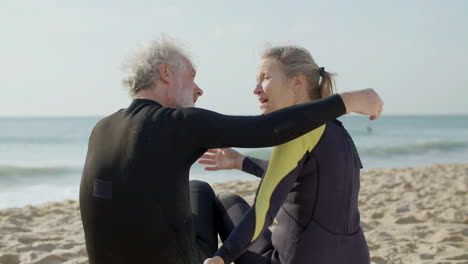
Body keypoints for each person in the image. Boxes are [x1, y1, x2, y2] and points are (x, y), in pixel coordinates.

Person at [79, 36, 383, 264]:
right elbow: (277, 147)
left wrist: (240, 163)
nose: (199, 89)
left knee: (202, 190)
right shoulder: (338, 133)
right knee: (203, 191)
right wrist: (344, 103)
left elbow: (279, 174)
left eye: (264, 78)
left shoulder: (100, 128)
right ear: (166, 74)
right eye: (192, 77)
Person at [200, 46, 372, 264]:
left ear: (296, 83)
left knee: (224, 201)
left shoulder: (296, 132)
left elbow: (263, 211)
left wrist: (221, 258)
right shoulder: (337, 130)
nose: (255, 89)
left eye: (265, 78)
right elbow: (295, 174)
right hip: (355, 258)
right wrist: (239, 161)